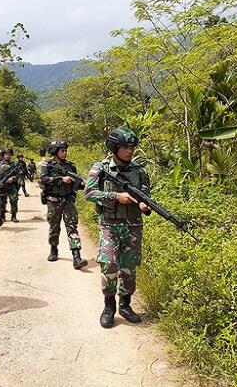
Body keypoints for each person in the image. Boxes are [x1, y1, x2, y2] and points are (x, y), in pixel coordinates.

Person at [84, 128, 151, 328]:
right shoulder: (101, 168)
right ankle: (109, 306)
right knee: (110, 264)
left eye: (132, 147)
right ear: (114, 148)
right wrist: (115, 197)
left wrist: (144, 204)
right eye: (125, 147)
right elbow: (89, 193)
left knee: (129, 268)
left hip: (133, 226)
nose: (130, 151)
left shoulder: (139, 171)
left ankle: (125, 305)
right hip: (109, 225)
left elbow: (145, 194)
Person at [39, 140, 88, 270]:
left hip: (68, 200)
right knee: (54, 227)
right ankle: (54, 249)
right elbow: (43, 179)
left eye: (66, 150)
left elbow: (76, 184)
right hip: (53, 201)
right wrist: (61, 179)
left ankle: (76, 256)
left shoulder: (71, 166)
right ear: (55, 151)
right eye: (62, 150)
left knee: (72, 227)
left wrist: (83, 184)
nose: (65, 153)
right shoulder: (48, 165)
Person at [0, 147, 20, 224]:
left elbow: (18, 175)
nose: (8, 156)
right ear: (3, 155)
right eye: (6, 154)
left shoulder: (14, 165)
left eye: (9, 154)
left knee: (14, 200)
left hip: (11, 186)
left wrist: (13, 178)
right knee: (2, 202)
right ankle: (2, 216)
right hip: (1, 186)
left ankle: (14, 216)